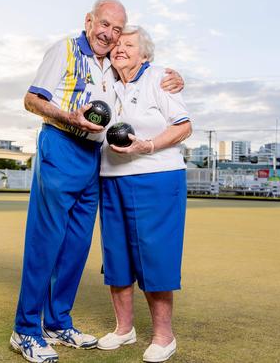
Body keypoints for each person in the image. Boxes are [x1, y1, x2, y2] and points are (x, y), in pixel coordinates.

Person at [10, 0, 184, 362]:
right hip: (61, 144)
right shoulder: (65, 49)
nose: (109, 35)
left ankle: (57, 322)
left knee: (76, 246)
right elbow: (31, 99)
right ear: (89, 21)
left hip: (94, 158)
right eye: (104, 25)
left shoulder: (112, 63)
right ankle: (26, 329)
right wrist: (68, 117)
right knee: (46, 242)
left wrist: (177, 77)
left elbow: (148, 76)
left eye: (117, 30)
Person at [95, 25, 192, 363]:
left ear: (144, 54)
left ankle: (164, 337)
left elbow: (183, 126)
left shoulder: (161, 77)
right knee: (116, 256)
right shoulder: (103, 78)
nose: (120, 47)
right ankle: (124, 329)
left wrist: (147, 145)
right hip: (111, 177)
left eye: (129, 44)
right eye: (117, 44)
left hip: (157, 177)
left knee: (155, 256)